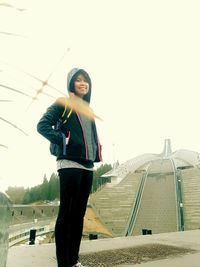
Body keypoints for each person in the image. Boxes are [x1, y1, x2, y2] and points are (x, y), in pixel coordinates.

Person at [37, 68, 102, 267]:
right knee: (67, 212)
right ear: (71, 84)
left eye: (86, 81)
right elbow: (42, 125)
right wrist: (64, 140)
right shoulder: (63, 103)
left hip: (87, 166)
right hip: (69, 164)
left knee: (79, 215)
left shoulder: (88, 109)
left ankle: (73, 261)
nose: (83, 84)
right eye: (78, 80)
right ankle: (63, 263)